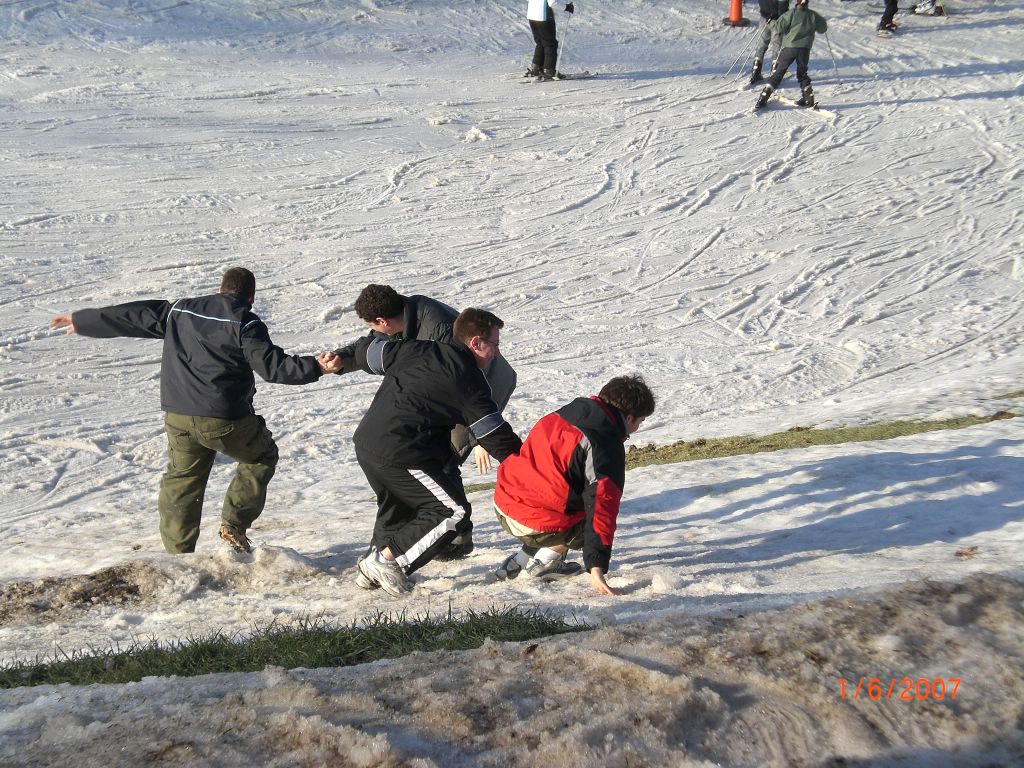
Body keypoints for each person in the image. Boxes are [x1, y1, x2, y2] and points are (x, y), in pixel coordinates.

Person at [49, 268, 334, 555]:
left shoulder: (180, 310)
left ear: (220, 289)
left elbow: (135, 316)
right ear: (251, 297)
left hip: (179, 416)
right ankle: (234, 525)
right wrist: (316, 366)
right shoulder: (246, 322)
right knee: (261, 456)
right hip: (225, 419)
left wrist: (83, 321)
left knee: (182, 480)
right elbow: (273, 368)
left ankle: (178, 554)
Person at [323, 308, 523, 596]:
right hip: (400, 452)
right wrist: (531, 466)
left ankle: (371, 576)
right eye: (495, 344)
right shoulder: (468, 379)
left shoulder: (418, 348)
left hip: (368, 443)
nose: (496, 353)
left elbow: (369, 351)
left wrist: (341, 360)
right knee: (451, 512)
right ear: (476, 342)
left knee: (400, 506)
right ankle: (386, 562)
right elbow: (495, 436)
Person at [492, 375, 656, 596]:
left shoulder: (567, 412)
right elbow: (602, 507)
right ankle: (545, 563)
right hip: (533, 524)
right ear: (629, 418)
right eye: (640, 421)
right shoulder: (604, 444)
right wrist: (596, 567)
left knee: (556, 496)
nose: (637, 428)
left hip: (504, 504)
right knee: (586, 514)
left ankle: (519, 561)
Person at [754, 0, 827, 110]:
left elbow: (778, 27)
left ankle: (763, 98)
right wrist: (820, 22)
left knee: (778, 73)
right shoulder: (813, 15)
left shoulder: (791, 13)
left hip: (789, 48)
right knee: (802, 73)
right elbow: (823, 28)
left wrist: (770, 21)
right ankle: (808, 98)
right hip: (804, 50)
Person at [525, 0, 574, 81]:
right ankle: (549, 70)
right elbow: (552, 2)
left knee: (540, 43)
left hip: (532, 16)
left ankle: (536, 67)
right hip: (544, 17)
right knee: (550, 44)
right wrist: (566, 7)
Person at [750, 0, 790, 86]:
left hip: (764, 16)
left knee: (762, 44)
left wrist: (765, 11)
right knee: (777, 45)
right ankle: (774, 74)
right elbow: (783, 4)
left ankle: (755, 71)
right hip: (777, 19)